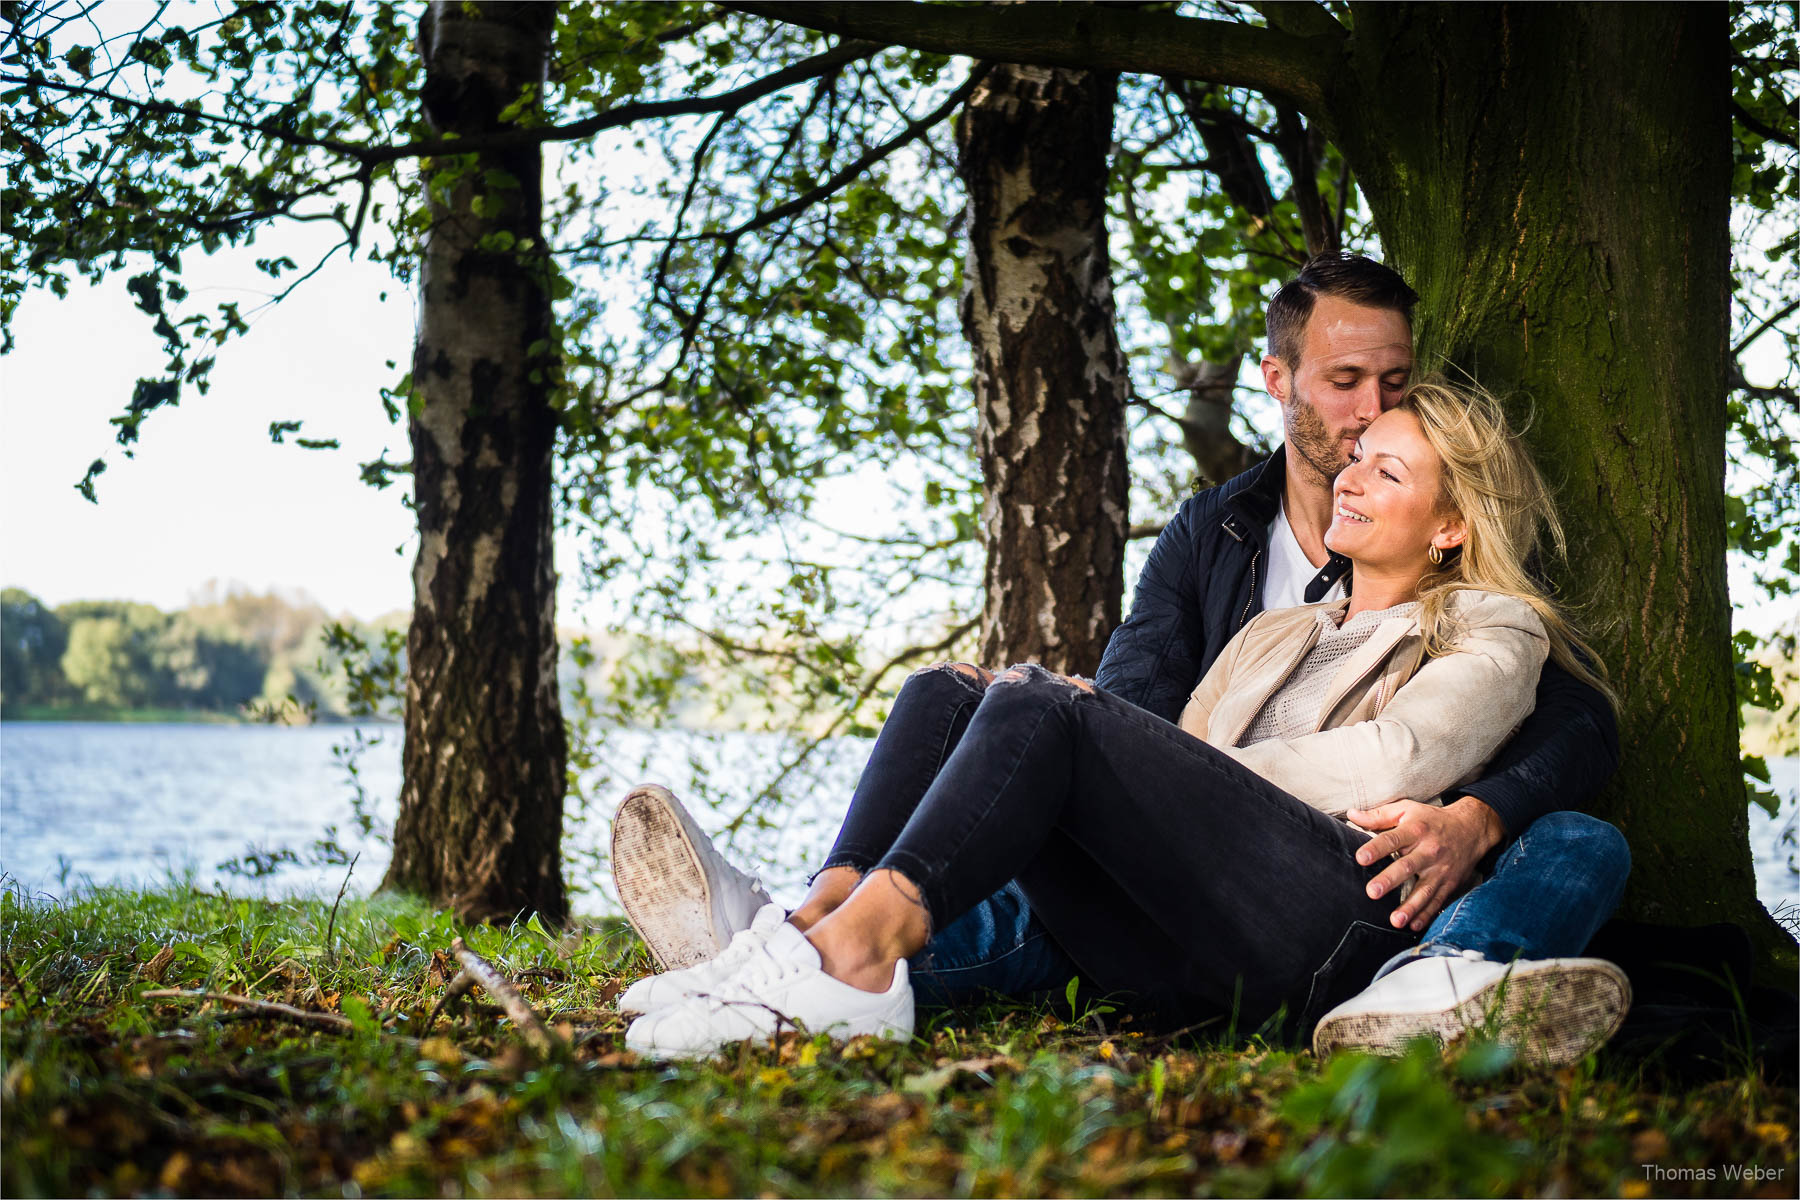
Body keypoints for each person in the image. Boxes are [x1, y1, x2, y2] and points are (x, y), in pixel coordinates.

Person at [611, 374, 1631, 1063]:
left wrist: (1140, 761)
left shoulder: (1493, 628)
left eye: (1388, 470)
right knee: (950, 692)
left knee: (1053, 710)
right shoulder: (1280, 630)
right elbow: (1181, 767)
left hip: (1330, 916)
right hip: (1193, 918)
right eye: (1356, 456)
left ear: (1451, 526)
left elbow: (1399, 756)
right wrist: (1137, 770)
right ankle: (815, 929)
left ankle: (854, 957)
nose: (1351, 474)